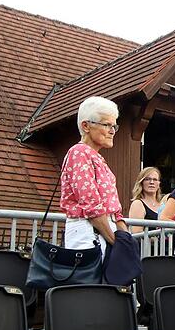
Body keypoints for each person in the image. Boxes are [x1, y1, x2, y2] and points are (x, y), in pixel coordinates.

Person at [60, 96, 128, 257]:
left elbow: (114, 209)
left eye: (114, 126)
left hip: (101, 230)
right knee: (91, 281)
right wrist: (117, 243)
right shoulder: (79, 152)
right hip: (89, 232)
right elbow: (92, 206)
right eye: (107, 125)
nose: (112, 131)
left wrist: (125, 240)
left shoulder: (95, 157)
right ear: (86, 126)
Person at [127, 167, 162, 233]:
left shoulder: (163, 204)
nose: (151, 182)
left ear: (159, 183)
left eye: (155, 179)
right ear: (141, 182)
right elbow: (136, 233)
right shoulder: (138, 204)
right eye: (147, 179)